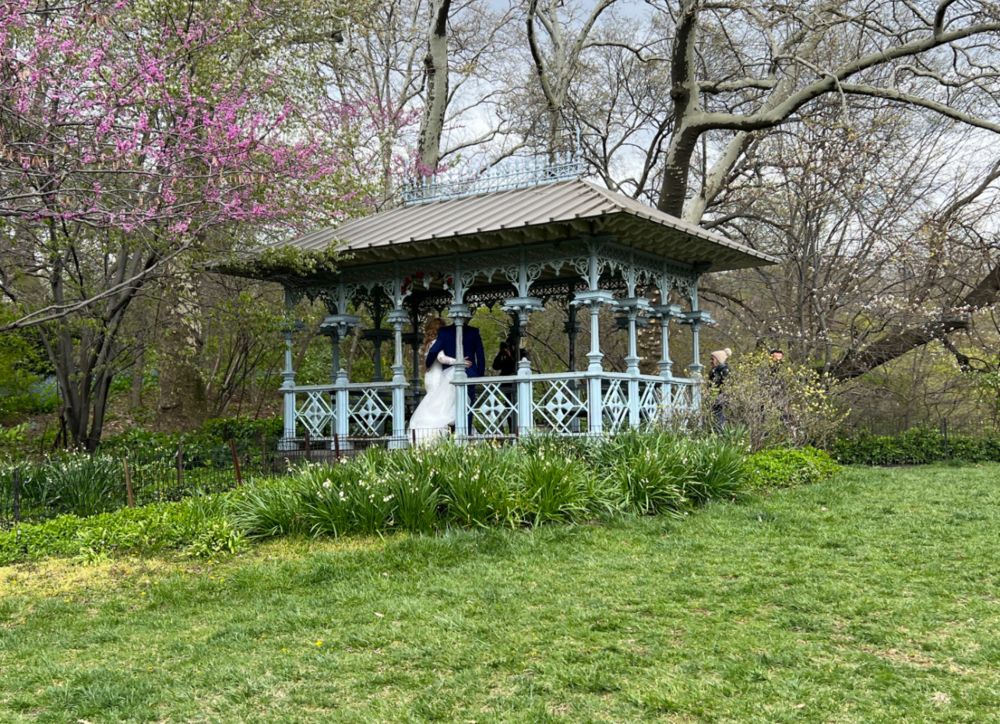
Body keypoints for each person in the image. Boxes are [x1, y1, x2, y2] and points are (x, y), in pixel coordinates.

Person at [407, 318, 466, 444]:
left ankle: (434, 435)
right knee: (439, 406)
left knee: (433, 405)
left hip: (430, 377)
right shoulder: (436, 342)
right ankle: (434, 436)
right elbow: (441, 358)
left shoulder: (428, 344)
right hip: (438, 377)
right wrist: (459, 361)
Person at [423, 319, 486, 432]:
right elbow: (480, 355)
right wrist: (479, 374)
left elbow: (434, 351)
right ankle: (466, 433)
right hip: (469, 372)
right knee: (468, 404)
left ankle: (453, 433)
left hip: (448, 376)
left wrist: (428, 364)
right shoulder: (473, 331)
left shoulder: (444, 332)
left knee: (448, 405)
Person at [708, 347, 731, 430]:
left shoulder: (724, 371)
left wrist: (720, 397)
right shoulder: (714, 371)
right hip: (714, 397)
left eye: (712, 359)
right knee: (715, 417)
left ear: (718, 359)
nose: (711, 361)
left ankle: (720, 433)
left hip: (720, 398)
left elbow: (727, 385)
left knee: (719, 417)